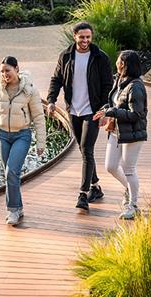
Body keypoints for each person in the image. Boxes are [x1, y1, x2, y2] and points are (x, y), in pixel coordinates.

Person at [47, 21, 113, 213]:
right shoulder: (66, 56)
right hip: (73, 110)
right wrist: (51, 100)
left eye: (88, 37)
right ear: (74, 36)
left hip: (93, 111)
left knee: (87, 149)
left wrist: (105, 109)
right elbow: (56, 79)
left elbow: (108, 85)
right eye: (82, 37)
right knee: (84, 150)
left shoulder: (100, 57)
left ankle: (83, 194)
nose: (85, 40)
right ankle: (96, 186)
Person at [0, 56, 46, 226]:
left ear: (17, 69)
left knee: (11, 171)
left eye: (7, 70)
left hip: (22, 135)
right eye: (2, 71)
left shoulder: (29, 90)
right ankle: (19, 207)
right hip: (3, 136)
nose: (4, 74)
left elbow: (39, 117)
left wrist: (41, 143)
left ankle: (13, 210)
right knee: (10, 175)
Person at [93, 50, 148, 220]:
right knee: (110, 166)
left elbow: (136, 114)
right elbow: (115, 103)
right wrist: (105, 110)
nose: (116, 63)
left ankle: (133, 206)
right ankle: (130, 189)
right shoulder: (120, 80)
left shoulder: (136, 87)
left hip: (132, 133)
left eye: (118, 61)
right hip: (116, 132)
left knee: (129, 169)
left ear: (124, 64)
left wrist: (111, 112)